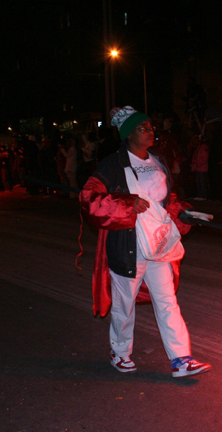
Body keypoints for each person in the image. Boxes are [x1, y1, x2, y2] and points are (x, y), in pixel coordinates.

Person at [80, 106, 211, 378]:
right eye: (142, 128)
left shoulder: (158, 161)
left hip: (158, 245)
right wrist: (126, 203)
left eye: (151, 127)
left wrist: (183, 212)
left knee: (167, 301)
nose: (150, 131)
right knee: (123, 304)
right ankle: (120, 352)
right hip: (128, 246)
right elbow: (88, 200)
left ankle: (181, 359)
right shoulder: (112, 165)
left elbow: (165, 202)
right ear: (128, 134)